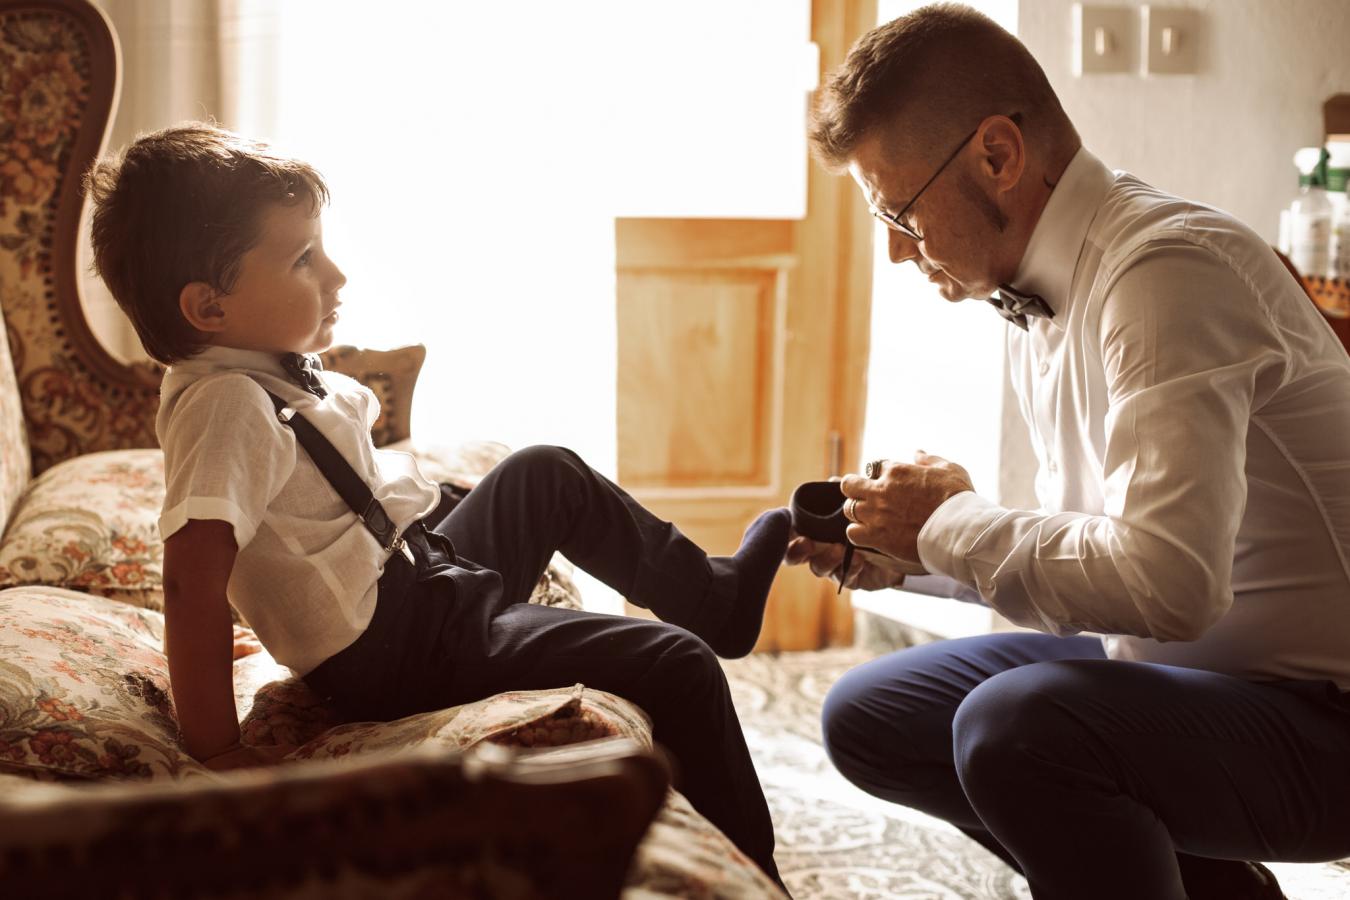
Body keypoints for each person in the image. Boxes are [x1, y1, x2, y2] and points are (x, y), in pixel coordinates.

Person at [84, 123, 790, 885]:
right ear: (208, 308)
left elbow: (325, 497)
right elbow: (193, 571)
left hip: (418, 586)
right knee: (676, 663)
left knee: (543, 471)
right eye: (301, 259)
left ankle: (714, 598)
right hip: (394, 652)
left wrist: (438, 507)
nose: (336, 275)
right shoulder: (224, 404)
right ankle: (755, 872)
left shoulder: (262, 369)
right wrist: (215, 744)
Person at [789, 4, 1350, 899]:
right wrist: (909, 546)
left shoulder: (1164, 275)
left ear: (999, 155)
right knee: (871, 715)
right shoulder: (1041, 284)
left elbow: (1171, 582)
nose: (894, 251)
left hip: (1321, 720)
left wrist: (951, 525)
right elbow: (1099, 544)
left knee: (1016, 728)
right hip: (1179, 676)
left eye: (898, 210)